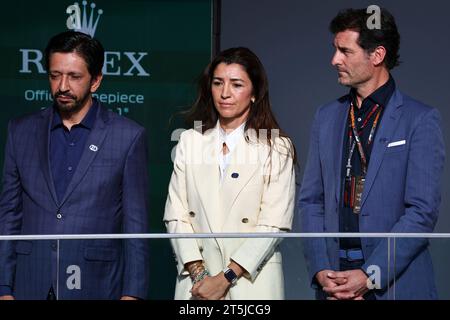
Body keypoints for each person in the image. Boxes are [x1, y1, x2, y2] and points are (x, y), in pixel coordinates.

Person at [299, 8, 445, 300]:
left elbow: (421, 212)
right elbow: (311, 201)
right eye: (335, 50)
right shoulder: (326, 117)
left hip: (395, 283)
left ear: (377, 55)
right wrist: (320, 269)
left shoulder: (420, 119)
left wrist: (370, 275)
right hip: (333, 282)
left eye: (345, 51)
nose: (334, 60)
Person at [0, 31, 150, 300]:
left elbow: (135, 225)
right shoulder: (20, 131)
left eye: (74, 77)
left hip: (97, 283)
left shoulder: (128, 136)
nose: (62, 86)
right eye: (55, 75)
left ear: (96, 81)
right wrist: (2, 288)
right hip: (29, 283)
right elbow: (9, 216)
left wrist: (133, 294)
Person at [164, 47, 296, 300]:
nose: (225, 93)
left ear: (255, 92)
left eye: (236, 84)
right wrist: (201, 275)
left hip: (250, 283)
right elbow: (176, 215)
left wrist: (226, 278)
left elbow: (273, 224)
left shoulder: (276, 147)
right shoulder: (190, 141)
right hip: (197, 285)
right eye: (218, 83)